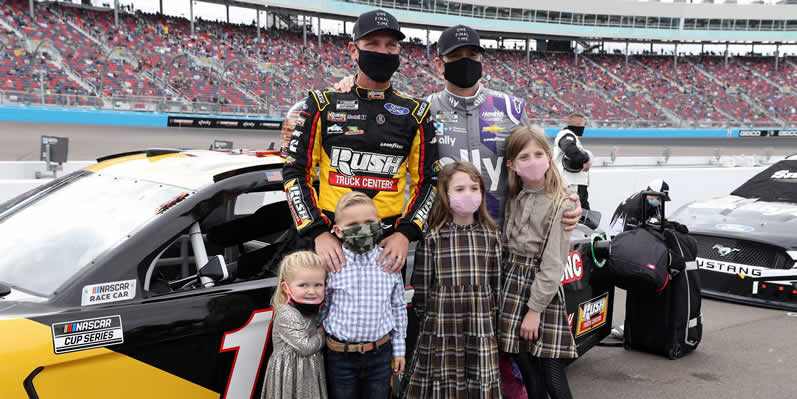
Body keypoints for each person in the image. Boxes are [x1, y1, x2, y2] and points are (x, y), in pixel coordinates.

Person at [282, 9, 437, 274]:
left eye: (391, 45)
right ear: (354, 50)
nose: (383, 51)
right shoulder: (322, 103)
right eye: (372, 44)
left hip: (387, 247)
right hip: (330, 244)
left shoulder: (416, 112)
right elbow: (295, 173)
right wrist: (318, 233)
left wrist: (405, 234)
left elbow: (429, 182)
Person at [401, 162, 502, 398]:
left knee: (478, 376)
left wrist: (492, 317)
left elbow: (496, 283)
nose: (468, 193)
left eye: (473, 188)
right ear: (446, 195)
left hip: (480, 321)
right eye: (460, 189)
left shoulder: (491, 235)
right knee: (443, 378)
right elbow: (422, 286)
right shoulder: (433, 236)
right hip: (441, 324)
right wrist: (429, 316)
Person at [499, 126, 578, 399]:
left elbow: (553, 264)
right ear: (512, 165)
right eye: (524, 157)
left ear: (547, 156)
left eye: (537, 154)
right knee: (530, 375)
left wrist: (534, 310)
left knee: (553, 377)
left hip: (540, 294)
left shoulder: (562, 203)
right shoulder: (514, 198)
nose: (532, 161)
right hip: (511, 288)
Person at [318, 192, 408, 399]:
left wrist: (399, 350)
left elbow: (398, 307)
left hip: (380, 355)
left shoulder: (389, 260)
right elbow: (323, 307)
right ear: (338, 231)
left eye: (369, 222)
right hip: (340, 357)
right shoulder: (332, 264)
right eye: (353, 224)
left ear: (379, 223)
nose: (363, 228)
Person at [261, 251, 328, 399]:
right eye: (303, 285)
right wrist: (324, 331)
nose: (311, 291)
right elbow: (306, 347)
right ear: (286, 287)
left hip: (309, 371)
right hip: (291, 375)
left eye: (318, 285)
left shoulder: (312, 308)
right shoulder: (287, 313)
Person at [553, 113, 592, 210]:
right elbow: (569, 147)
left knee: (583, 213)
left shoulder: (571, 136)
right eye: (583, 125)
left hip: (574, 183)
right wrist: (585, 160)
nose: (584, 128)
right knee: (577, 213)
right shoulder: (567, 135)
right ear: (579, 125)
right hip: (571, 184)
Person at [607, 178, 671, 238]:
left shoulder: (653, 201)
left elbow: (662, 220)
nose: (659, 202)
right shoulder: (634, 206)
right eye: (659, 199)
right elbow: (628, 234)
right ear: (650, 191)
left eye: (661, 199)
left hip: (634, 229)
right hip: (618, 236)